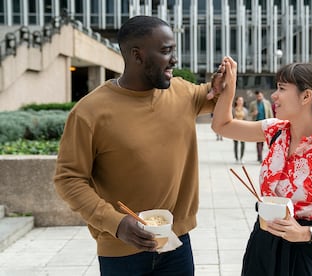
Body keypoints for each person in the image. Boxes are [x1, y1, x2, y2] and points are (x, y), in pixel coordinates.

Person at [54, 15, 225, 276]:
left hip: (177, 245)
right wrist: (116, 223)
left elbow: (215, 94)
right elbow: (68, 179)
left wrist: (224, 79)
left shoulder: (183, 93)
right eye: (166, 51)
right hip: (121, 250)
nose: (174, 60)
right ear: (138, 55)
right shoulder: (89, 112)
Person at [212, 58, 312, 276]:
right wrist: (230, 85)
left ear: (306, 96)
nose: (274, 95)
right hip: (261, 247)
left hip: (304, 257)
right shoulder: (275, 131)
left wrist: (303, 233)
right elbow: (222, 126)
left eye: (281, 88)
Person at [248, 90, 273, 162]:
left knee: (263, 141)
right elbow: (249, 114)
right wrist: (254, 113)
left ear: (262, 95)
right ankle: (260, 156)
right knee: (258, 141)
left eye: (260, 96)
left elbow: (270, 113)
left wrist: (272, 123)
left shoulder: (267, 103)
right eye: (258, 96)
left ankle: (261, 155)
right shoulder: (253, 104)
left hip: (265, 124)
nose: (259, 97)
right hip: (257, 124)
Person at [232, 96, 249, 162]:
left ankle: (241, 158)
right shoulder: (233, 110)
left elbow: (247, 119)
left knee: (242, 143)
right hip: (235, 128)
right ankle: (236, 158)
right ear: (236, 101)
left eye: (241, 100)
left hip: (243, 128)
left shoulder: (245, 110)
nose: (240, 102)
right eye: (239, 100)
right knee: (236, 143)